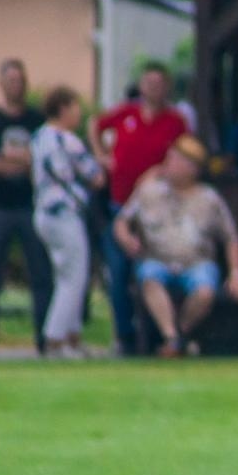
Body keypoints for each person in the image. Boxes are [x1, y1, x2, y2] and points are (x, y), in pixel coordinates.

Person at [113, 135, 238, 357]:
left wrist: (236, 274)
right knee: (149, 277)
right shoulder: (149, 190)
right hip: (157, 259)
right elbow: (121, 221)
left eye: (176, 161)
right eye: (169, 159)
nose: (168, 166)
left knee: (205, 289)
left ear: (192, 168)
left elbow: (231, 238)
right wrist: (126, 238)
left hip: (197, 263)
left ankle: (178, 336)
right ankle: (172, 338)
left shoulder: (209, 198)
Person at [92, 61, 189, 355]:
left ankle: (159, 336)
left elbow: (184, 155)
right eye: (148, 82)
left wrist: (159, 171)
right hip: (120, 204)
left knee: (150, 272)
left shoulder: (175, 121)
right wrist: (102, 158)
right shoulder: (126, 113)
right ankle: (124, 336)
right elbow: (95, 125)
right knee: (118, 271)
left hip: (155, 209)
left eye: (159, 83)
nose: (153, 88)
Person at [0, 58, 53, 356]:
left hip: (31, 206)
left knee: (41, 273)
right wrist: (16, 160)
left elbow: (41, 159)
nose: (15, 84)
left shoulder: (37, 120)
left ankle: (45, 339)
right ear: (1, 83)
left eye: (20, 79)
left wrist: (3, 156)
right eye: (10, 79)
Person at [30, 86, 106, 358]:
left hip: (42, 213)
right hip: (63, 213)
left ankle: (72, 339)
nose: (78, 114)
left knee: (64, 274)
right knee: (74, 277)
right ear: (63, 108)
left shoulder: (38, 137)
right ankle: (55, 340)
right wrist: (101, 153)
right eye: (75, 107)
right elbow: (96, 175)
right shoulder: (67, 140)